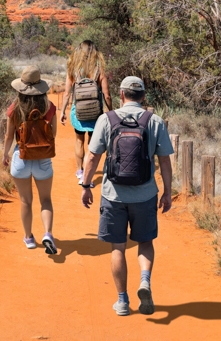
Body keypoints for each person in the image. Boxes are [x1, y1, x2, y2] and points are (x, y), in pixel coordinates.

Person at [80, 76, 172, 316]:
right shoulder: (155, 122)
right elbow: (164, 161)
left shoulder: (106, 119)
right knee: (145, 242)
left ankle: (122, 301)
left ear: (121, 95)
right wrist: (168, 193)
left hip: (113, 195)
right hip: (145, 195)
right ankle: (144, 281)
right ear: (143, 96)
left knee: (118, 247)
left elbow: (92, 157)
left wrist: (86, 185)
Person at [3, 65, 59, 254]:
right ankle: (48, 234)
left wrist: (5, 155)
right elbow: (53, 134)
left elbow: (9, 137)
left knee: (26, 201)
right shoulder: (49, 108)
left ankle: (28, 238)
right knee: (46, 200)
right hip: (43, 159)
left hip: (21, 157)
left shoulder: (15, 109)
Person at [59, 40, 112, 184]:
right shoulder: (99, 70)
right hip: (96, 113)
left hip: (78, 112)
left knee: (78, 141)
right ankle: (88, 175)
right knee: (92, 144)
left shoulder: (73, 70)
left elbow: (67, 94)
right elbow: (106, 95)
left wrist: (62, 111)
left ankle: (80, 172)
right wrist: (111, 112)